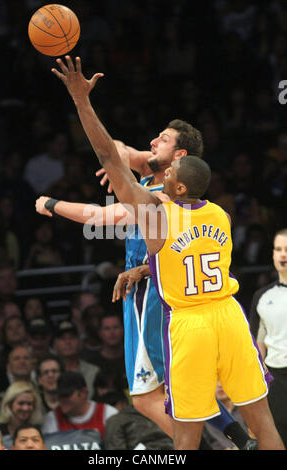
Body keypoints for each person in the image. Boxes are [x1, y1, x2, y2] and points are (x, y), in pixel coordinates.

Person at [48, 56, 285, 451]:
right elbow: (181, 248)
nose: (159, 178)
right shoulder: (221, 215)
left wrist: (80, 100)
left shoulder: (157, 213)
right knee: (263, 422)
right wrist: (144, 269)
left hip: (189, 325)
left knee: (187, 436)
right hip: (228, 315)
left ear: (174, 186)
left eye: (168, 177)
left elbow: (111, 157)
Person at [250, 228, 287, 447]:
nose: (283, 255)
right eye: (278, 249)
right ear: (272, 254)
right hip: (277, 382)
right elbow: (258, 346)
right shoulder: (262, 296)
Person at [42, 371, 118, 438]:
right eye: (59, 395)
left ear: (83, 393)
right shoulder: (53, 418)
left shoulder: (108, 414)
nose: (62, 399)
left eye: (66, 395)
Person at [52, 320, 99, 400]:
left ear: (80, 343)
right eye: (63, 338)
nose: (68, 342)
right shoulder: (49, 372)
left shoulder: (94, 371)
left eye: (72, 338)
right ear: (54, 345)